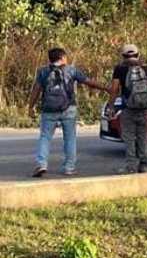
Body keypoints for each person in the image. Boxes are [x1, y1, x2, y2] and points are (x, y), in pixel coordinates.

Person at [28, 47, 110, 178]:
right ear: (62, 58)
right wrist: (106, 88)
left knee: (45, 137)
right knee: (70, 138)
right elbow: (89, 82)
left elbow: (36, 90)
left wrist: (30, 107)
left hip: (48, 109)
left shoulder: (43, 71)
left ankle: (41, 164)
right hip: (68, 108)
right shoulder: (71, 70)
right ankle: (69, 167)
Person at [109, 44, 147, 174]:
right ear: (138, 55)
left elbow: (114, 89)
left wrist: (111, 106)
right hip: (143, 109)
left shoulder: (120, 69)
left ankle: (131, 166)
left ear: (123, 56)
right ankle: (144, 165)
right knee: (142, 136)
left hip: (128, 108)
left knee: (129, 138)